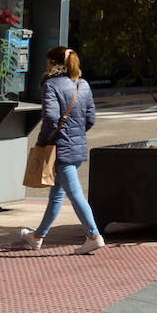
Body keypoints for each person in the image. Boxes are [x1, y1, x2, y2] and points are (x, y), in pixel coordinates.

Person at [19, 46, 105, 253]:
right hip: (76, 146)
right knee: (57, 195)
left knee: (74, 194)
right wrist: (74, 133)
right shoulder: (82, 84)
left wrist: (42, 143)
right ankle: (38, 236)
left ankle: (93, 235)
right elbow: (90, 118)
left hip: (61, 148)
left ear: (53, 63)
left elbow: (50, 118)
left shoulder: (51, 85)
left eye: (48, 61)